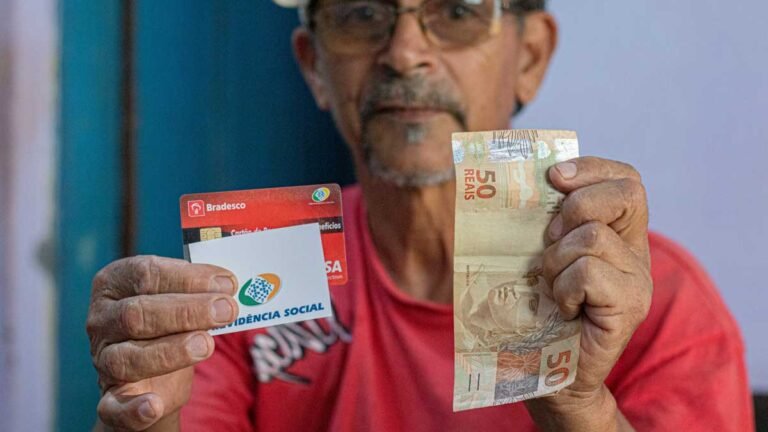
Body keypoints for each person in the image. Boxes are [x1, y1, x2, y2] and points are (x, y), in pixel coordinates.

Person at [86, 0, 755, 430]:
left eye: (457, 11)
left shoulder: (648, 300)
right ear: (314, 65)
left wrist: (578, 405)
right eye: (360, 14)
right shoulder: (247, 277)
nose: (405, 53)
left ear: (529, 57)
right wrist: (146, 414)